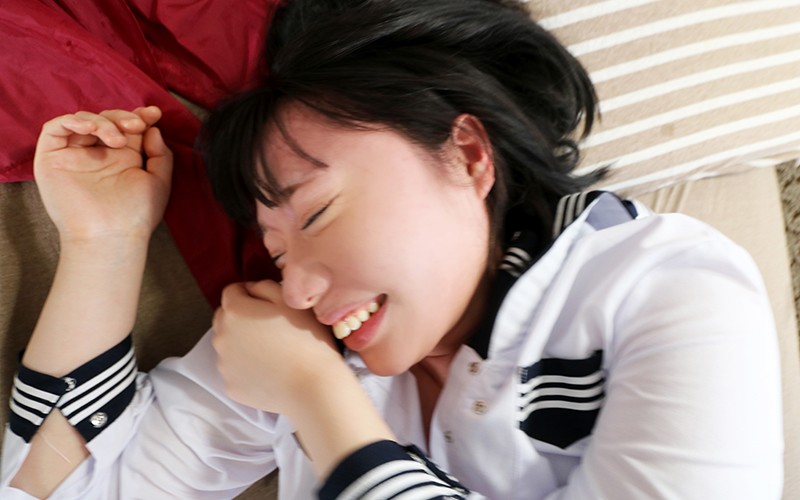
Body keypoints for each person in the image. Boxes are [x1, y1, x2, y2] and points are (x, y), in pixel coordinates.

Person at [1, 0, 783, 498]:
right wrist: (104, 241)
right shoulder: (297, 341)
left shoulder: (667, 284)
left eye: (317, 212)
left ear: (468, 154)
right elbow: (51, 492)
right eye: (276, 251)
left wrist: (320, 403)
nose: (297, 289)